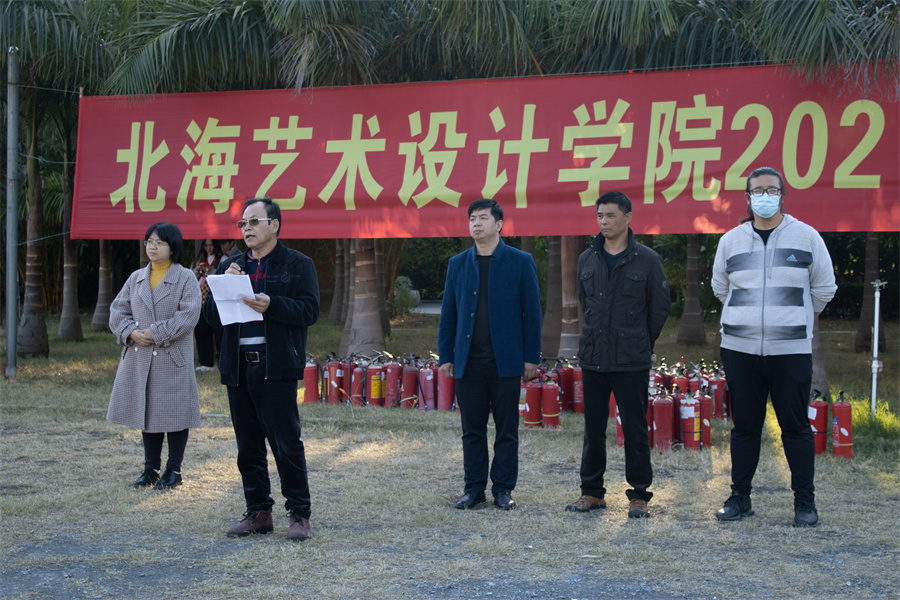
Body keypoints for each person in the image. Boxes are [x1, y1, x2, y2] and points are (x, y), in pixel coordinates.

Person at [712, 166, 836, 527]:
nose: (765, 196)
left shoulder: (807, 237)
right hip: (740, 349)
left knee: (795, 428)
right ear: (747, 197)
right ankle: (740, 498)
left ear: (783, 195)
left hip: (791, 351)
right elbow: (721, 288)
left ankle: (804, 503)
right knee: (745, 427)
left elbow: (824, 289)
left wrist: (794, 318)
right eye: (757, 191)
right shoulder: (731, 241)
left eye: (772, 190)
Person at [203, 197, 319, 541]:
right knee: (248, 445)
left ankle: (299, 514)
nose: (247, 229)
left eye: (254, 222)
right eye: (243, 224)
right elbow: (210, 318)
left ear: (274, 225)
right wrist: (222, 284)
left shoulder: (298, 264)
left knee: (286, 444)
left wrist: (273, 305)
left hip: (276, 365)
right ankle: (258, 512)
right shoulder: (231, 265)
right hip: (238, 367)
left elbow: (309, 311)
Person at [566, 191, 670, 519]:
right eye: (600, 215)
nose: (604, 221)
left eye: (610, 215)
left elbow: (659, 309)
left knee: (635, 429)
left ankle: (639, 495)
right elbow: (587, 305)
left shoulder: (647, 260)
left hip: (631, 360)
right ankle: (591, 492)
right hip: (594, 357)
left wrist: (639, 341)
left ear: (628, 218)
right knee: (593, 429)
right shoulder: (587, 259)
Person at [438, 198, 542, 511]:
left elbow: (532, 313)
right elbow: (449, 314)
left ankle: (503, 489)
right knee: (472, 429)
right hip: (468, 361)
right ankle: (473, 489)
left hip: (506, 361)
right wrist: (446, 355)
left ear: (498, 224)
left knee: (507, 429)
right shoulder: (458, 264)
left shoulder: (520, 261)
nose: (476, 223)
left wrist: (531, 357)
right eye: (472, 218)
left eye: (483, 218)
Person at [108, 222, 201, 491]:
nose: (153, 247)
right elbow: (117, 311)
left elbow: (189, 316)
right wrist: (131, 332)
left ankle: (174, 470)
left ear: (173, 247)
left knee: (175, 413)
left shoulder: (185, 278)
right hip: (141, 357)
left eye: (160, 242)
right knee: (147, 412)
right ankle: (151, 469)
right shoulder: (136, 277)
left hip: (171, 358)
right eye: (149, 241)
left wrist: (155, 333)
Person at [191, 239, 224, 371]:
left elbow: (223, 277)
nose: (209, 248)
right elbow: (191, 277)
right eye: (206, 246)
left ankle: (222, 360)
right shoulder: (198, 260)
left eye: (211, 245)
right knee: (201, 331)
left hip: (216, 300)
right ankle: (205, 362)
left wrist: (211, 271)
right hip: (201, 300)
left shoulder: (222, 259)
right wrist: (197, 271)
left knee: (219, 332)